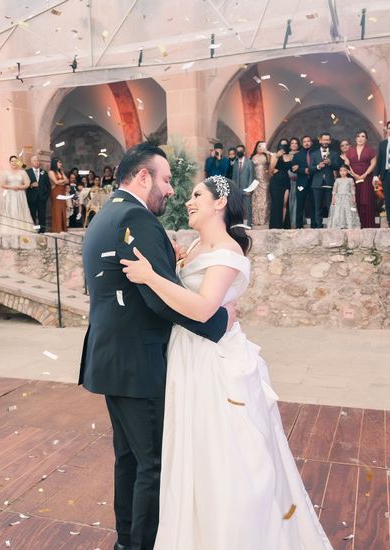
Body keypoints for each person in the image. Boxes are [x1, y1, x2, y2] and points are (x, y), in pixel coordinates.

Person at [117, 173, 333, 550]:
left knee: (220, 454)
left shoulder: (228, 252)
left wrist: (150, 277)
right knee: (193, 451)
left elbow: (202, 310)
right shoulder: (197, 246)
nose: (188, 200)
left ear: (219, 202)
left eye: (197, 194)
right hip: (188, 353)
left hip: (213, 361)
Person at [78, 143, 231, 550]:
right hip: (139, 363)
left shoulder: (104, 216)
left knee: (129, 458)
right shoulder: (136, 218)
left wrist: (168, 261)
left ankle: (126, 541)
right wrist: (219, 323)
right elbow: (157, 298)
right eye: (165, 180)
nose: (170, 190)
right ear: (142, 177)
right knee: (153, 465)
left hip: (112, 358)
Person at [309, 133, 343, 229]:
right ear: (320, 141)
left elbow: (338, 167)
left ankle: (331, 227)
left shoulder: (335, 153)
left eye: (327, 140)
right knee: (317, 207)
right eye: (324, 140)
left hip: (329, 183)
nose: (326, 142)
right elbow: (310, 169)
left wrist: (331, 163)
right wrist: (318, 166)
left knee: (330, 207)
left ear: (330, 141)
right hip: (316, 184)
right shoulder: (314, 154)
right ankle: (319, 228)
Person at [345, 130, 378, 228]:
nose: (360, 138)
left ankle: (367, 225)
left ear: (366, 139)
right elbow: (347, 164)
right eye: (358, 136)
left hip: (366, 179)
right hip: (353, 179)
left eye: (363, 136)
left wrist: (365, 174)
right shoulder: (350, 150)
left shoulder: (370, 150)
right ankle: (354, 225)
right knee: (355, 200)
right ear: (355, 139)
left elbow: (373, 163)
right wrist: (353, 174)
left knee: (366, 201)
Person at [0, 155, 36, 234]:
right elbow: (2, 184)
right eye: (12, 161)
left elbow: (27, 184)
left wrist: (19, 187)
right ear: (9, 162)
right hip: (10, 195)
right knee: (11, 210)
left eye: (15, 161)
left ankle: (23, 229)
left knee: (21, 210)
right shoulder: (6, 172)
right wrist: (11, 187)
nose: (13, 163)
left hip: (20, 194)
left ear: (18, 162)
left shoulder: (22, 172)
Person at [268, 139, 293, 229]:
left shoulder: (290, 156)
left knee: (285, 202)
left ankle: (283, 225)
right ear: (279, 146)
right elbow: (271, 170)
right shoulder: (275, 155)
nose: (283, 147)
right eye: (282, 145)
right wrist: (278, 156)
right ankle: (276, 226)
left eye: (285, 145)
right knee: (276, 203)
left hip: (286, 180)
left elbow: (293, 169)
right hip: (276, 182)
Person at [291, 135, 314, 229]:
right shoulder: (297, 155)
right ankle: (299, 226)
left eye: (308, 141)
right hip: (301, 182)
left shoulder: (316, 153)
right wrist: (303, 170)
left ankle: (315, 225)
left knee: (314, 204)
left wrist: (304, 169)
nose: (307, 143)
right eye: (304, 141)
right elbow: (293, 169)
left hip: (314, 182)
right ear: (302, 143)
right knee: (300, 204)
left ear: (311, 143)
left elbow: (317, 167)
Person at [328, 165, 361, 229]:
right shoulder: (337, 180)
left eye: (344, 170)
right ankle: (339, 225)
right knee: (338, 211)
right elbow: (334, 191)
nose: (342, 172)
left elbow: (352, 190)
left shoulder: (350, 180)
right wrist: (333, 199)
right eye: (341, 171)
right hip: (339, 198)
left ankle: (349, 225)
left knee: (348, 211)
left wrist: (354, 198)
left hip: (348, 198)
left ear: (347, 171)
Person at [24, 155, 50, 232]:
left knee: (42, 215)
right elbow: (24, 185)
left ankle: (42, 230)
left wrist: (46, 197)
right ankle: (34, 230)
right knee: (32, 215)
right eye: (34, 160)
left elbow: (48, 186)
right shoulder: (27, 172)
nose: (36, 162)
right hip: (31, 197)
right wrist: (31, 185)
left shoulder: (44, 172)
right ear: (31, 162)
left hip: (42, 198)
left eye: (38, 160)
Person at [250, 141, 270, 226]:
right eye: (259, 146)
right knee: (255, 201)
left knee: (265, 200)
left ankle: (264, 221)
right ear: (256, 147)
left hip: (265, 180)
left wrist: (266, 152)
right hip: (255, 181)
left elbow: (270, 163)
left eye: (262, 146)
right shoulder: (252, 157)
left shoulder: (266, 156)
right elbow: (250, 170)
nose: (260, 148)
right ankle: (256, 221)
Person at [233, 144, 255, 225]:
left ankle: (249, 224)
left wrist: (249, 190)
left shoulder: (249, 162)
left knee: (248, 208)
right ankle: (240, 224)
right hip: (237, 190)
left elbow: (251, 176)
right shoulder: (235, 163)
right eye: (237, 151)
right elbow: (234, 177)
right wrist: (234, 189)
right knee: (238, 208)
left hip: (246, 189)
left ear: (244, 152)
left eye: (241, 151)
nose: (239, 152)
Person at [49, 158, 69, 233]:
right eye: (59, 163)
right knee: (57, 209)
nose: (61, 164)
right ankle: (57, 228)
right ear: (55, 163)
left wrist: (62, 181)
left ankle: (63, 228)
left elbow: (67, 180)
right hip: (55, 192)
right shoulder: (51, 172)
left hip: (62, 191)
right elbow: (56, 182)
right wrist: (62, 181)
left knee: (63, 208)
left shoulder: (61, 171)